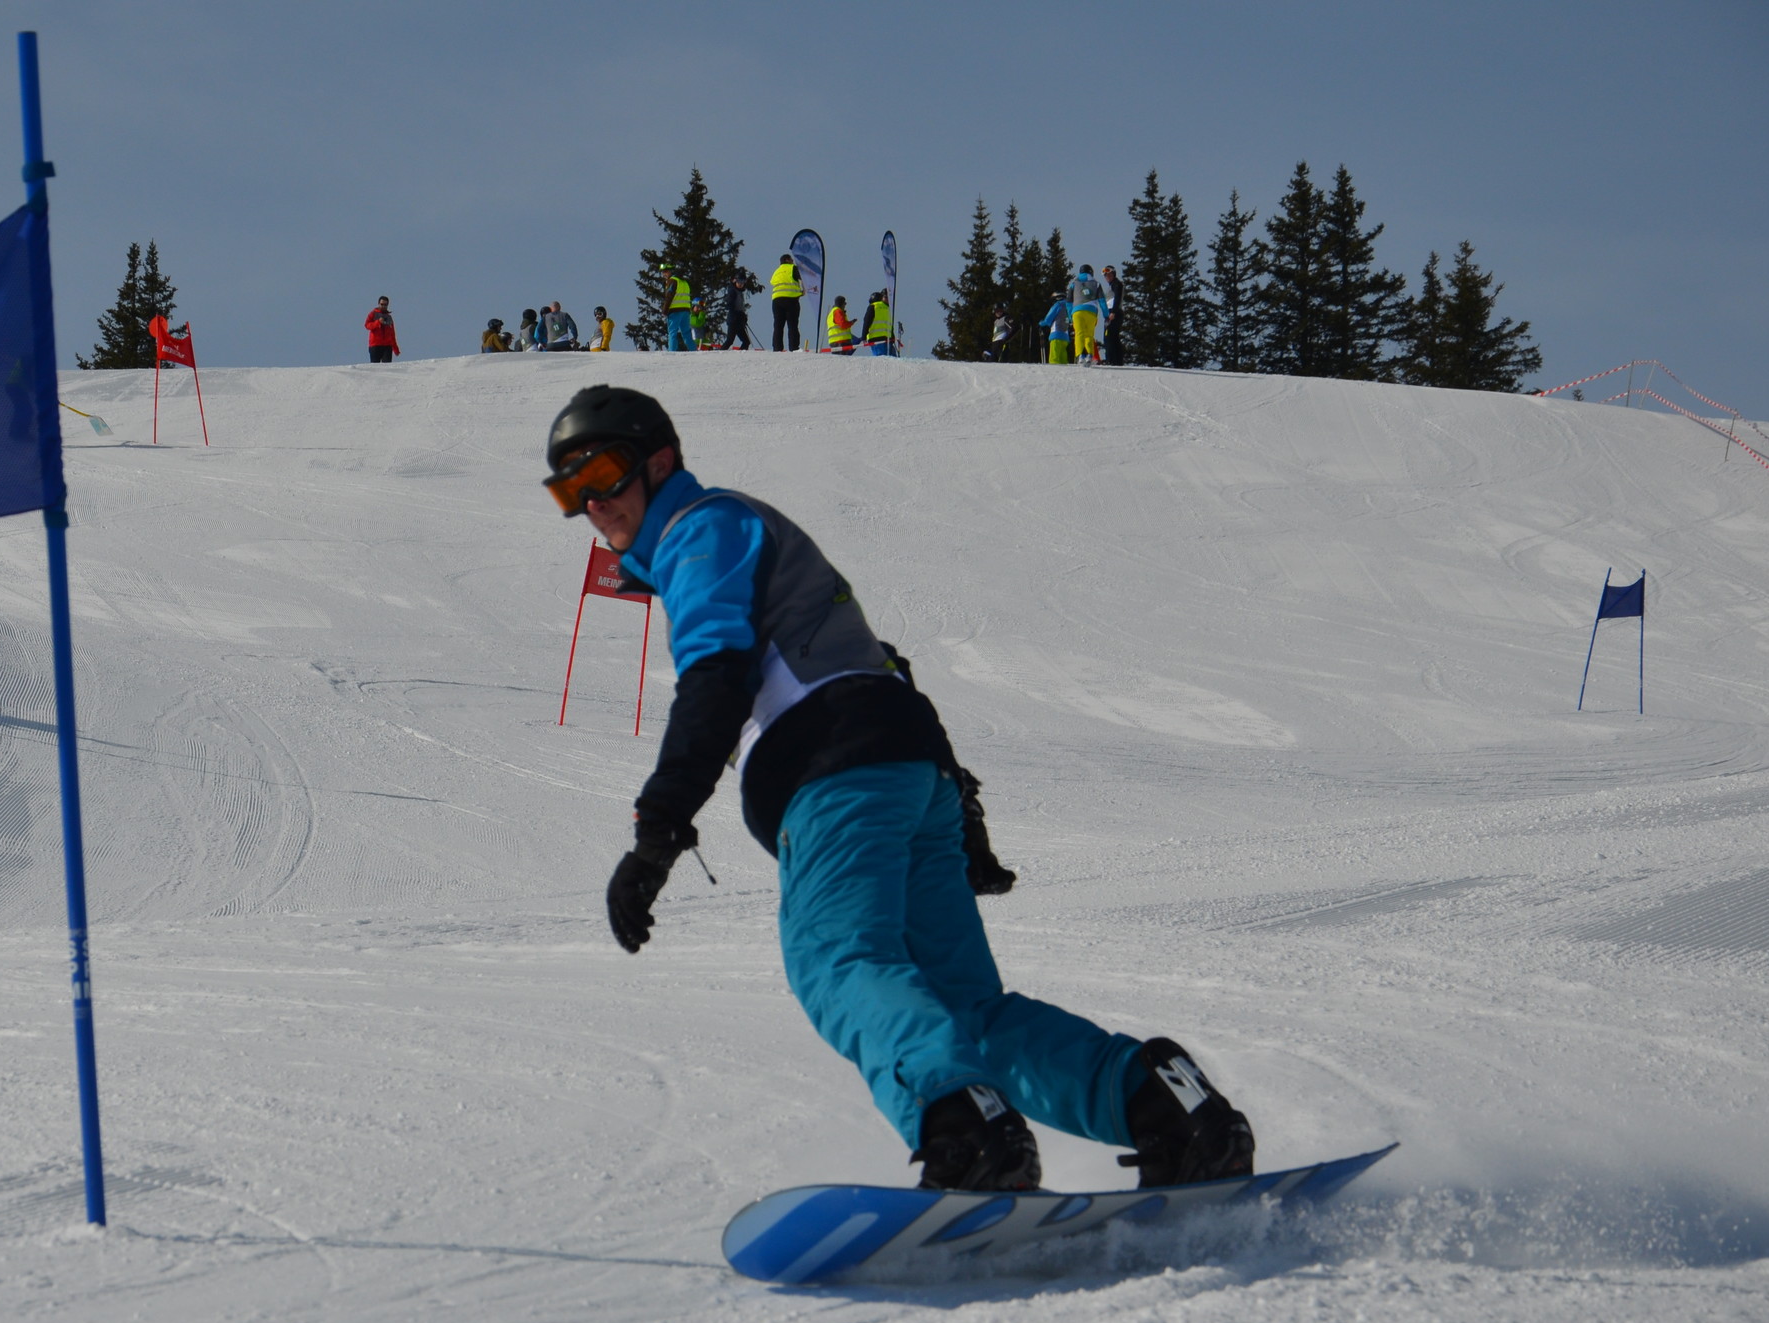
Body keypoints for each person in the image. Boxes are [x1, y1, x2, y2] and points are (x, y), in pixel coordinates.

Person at [538, 385, 1257, 1194]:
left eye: (600, 473)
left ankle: (965, 1130)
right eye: (569, 490)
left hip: (836, 773)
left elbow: (716, 676)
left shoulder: (700, 529)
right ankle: (1163, 1106)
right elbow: (886, 670)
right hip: (901, 771)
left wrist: (659, 828)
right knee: (963, 1008)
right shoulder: (740, 539)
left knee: (839, 958)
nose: (592, 503)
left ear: (660, 460)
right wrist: (958, 808)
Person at [1067, 265, 1105, 365]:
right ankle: (1089, 355)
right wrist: (1106, 315)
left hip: (1077, 311)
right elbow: (1102, 301)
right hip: (1091, 311)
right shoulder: (1096, 283)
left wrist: (1070, 316)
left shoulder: (1074, 283)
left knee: (1079, 333)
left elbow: (1069, 302)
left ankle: (1080, 355)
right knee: (1089, 334)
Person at [769, 254, 805, 351]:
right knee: (792, 325)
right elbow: (803, 278)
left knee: (778, 325)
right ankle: (794, 347)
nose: (793, 261)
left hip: (776, 300)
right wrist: (802, 291)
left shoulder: (776, 271)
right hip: (791, 299)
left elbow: (772, 282)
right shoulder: (792, 268)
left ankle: (777, 348)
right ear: (787, 260)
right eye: (791, 259)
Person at [720, 270, 755, 350]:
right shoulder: (732, 291)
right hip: (733, 320)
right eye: (739, 281)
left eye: (743, 282)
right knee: (730, 340)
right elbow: (730, 304)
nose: (740, 284)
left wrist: (743, 316)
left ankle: (741, 355)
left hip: (739, 321)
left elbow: (740, 306)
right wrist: (737, 314)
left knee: (746, 341)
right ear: (735, 280)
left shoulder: (739, 292)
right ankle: (720, 354)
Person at [1101, 266, 1128, 365]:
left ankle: (1111, 360)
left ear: (1113, 274)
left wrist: (1113, 312)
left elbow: (1117, 298)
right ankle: (1117, 361)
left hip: (1113, 312)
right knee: (1114, 337)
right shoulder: (1113, 285)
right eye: (1105, 275)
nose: (1107, 277)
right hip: (1113, 312)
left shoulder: (1116, 284)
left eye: (1109, 274)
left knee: (1108, 337)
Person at [666, 269, 695, 351]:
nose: (664, 274)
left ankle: (672, 351)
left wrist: (665, 310)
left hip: (675, 310)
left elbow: (669, 296)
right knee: (686, 333)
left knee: (672, 332)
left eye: (665, 271)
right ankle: (693, 350)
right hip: (686, 310)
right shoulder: (685, 283)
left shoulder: (672, 281)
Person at [365, 297, 400, 363]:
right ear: (378, 304)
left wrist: (395, 348)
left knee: (387, 366)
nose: (383, 306)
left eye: (385, 305)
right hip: (375, 345)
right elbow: (367, 325)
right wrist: (378, 322)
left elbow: (392, 334)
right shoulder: (373, 314)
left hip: (387, 346)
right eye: (382, 304)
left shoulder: (389, 317)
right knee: (375, 366)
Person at [1041, 295, 1073, 364]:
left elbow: (1048, 319)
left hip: (1056, 334)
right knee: (1063, 358)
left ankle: (1054, 369)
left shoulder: (1058, 305)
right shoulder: (1070, 306)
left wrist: (1041, 324)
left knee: (1054, 358)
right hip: (1065, 336)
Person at [861, 290, 893, 355]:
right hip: (887, 338)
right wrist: (892, 336)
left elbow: (867, 322)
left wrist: (863, 337)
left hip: (875, 338)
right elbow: (890, 325)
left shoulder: (873, 306)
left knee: (880, 358)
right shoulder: (887, 308)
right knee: (890, 358)